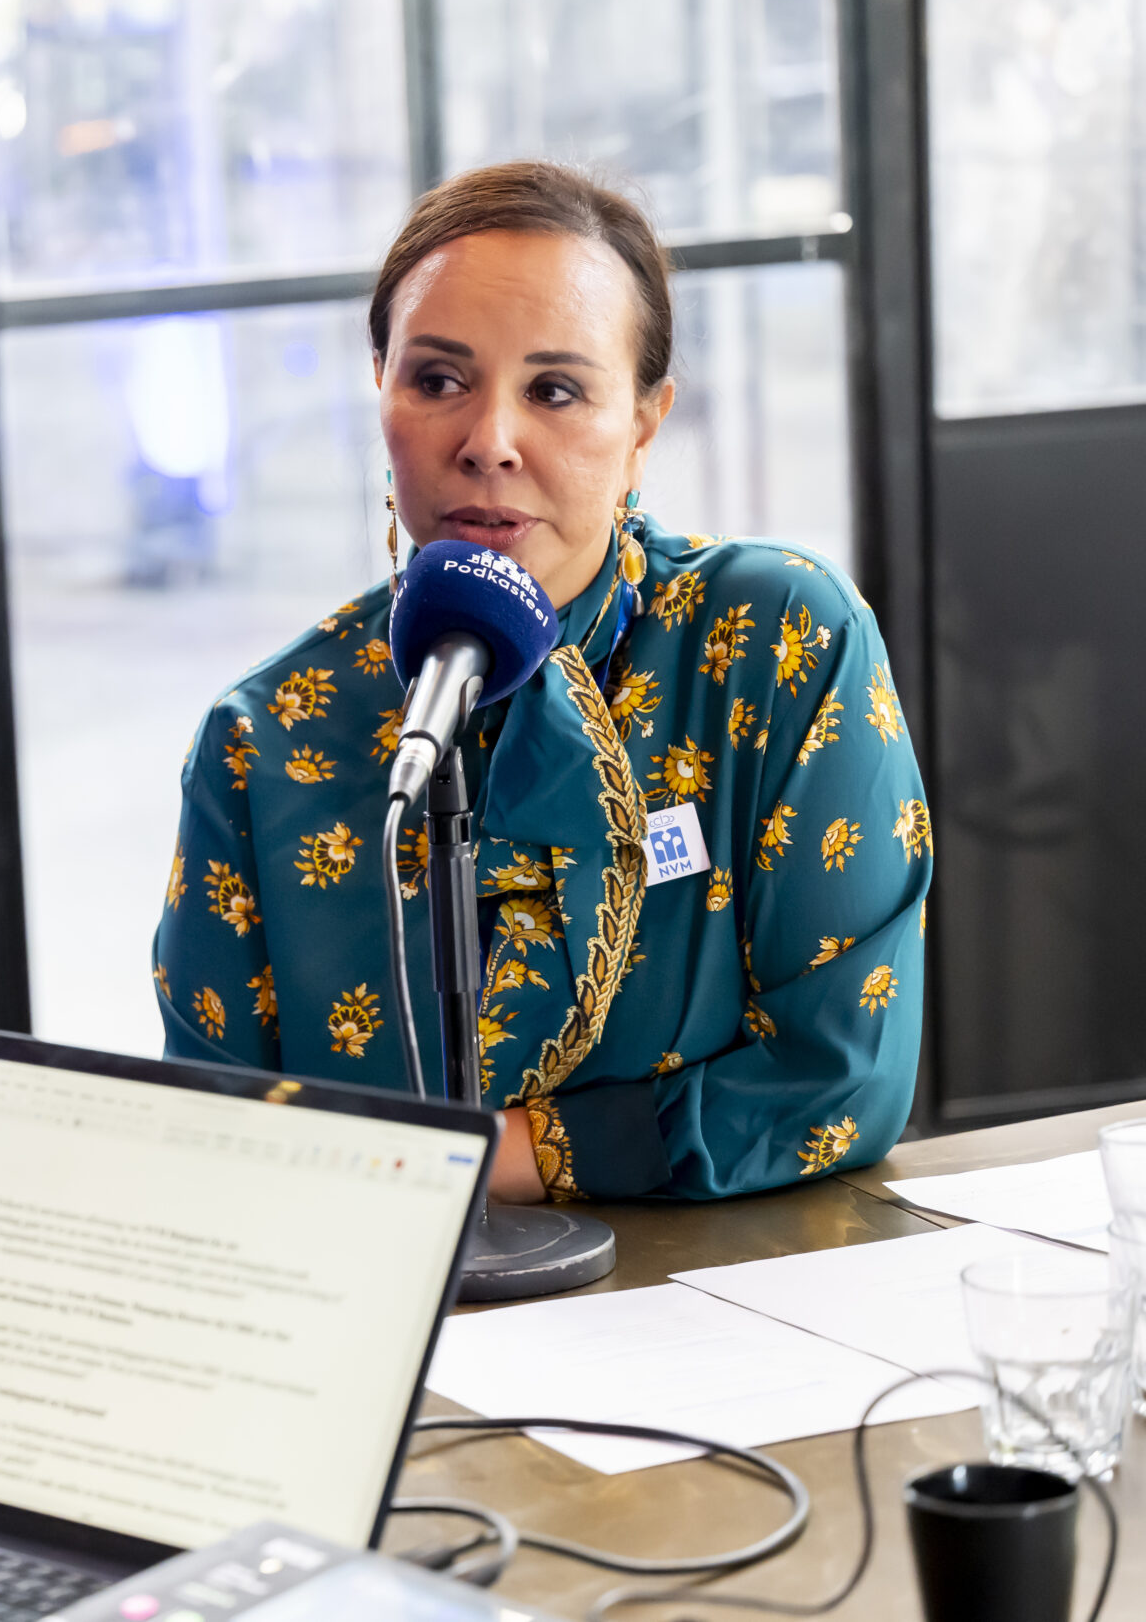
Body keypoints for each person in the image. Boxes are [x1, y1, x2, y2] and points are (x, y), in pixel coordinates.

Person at [151, 162, 931, 1203]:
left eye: (554, 391)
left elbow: (839, 1079)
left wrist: (464, 1165)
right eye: (436, 381)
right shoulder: (264, 738)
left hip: (721, 1306)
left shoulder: (772, 644)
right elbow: (209, 1155)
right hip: (392, 1319)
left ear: (645, 421)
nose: (488, 444)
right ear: (377, 388)